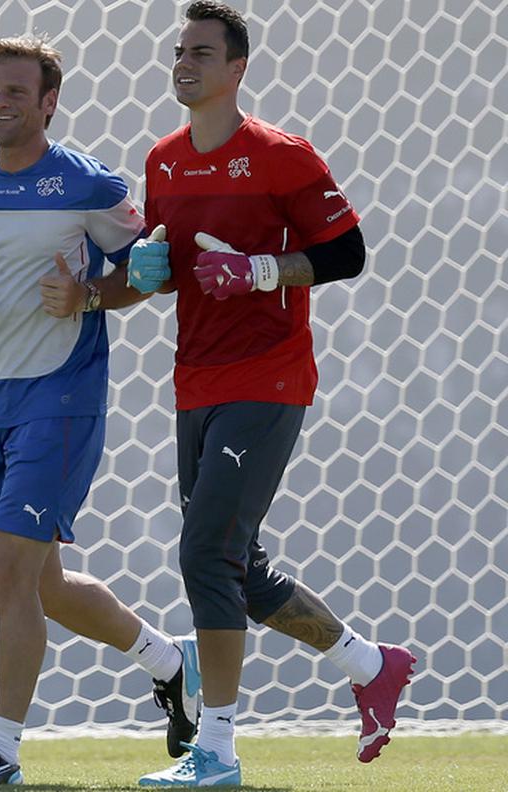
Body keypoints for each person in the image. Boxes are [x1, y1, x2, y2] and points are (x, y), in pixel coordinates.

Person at [124, 3, 416, 786]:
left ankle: (214, 748)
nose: (183, 63)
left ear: (237, 69)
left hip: (270, 377)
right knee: (238, 568)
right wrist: (145, 274)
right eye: (178, 50)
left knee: (203, 552)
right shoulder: (162, 160)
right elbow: (160, 256)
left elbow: (347, 251)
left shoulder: (282, 155)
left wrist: (263, 270)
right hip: (194, 380)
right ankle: (371, 664)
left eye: (202, 52)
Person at [0, 35, 203, 787]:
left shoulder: (87, 184)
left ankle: (2, 751)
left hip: (64, 398)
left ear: (49, 102)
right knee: (42, 584)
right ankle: (169, 662)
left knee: (6, 568)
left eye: (16, 91)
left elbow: (151, 272)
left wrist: (88, 295)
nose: (0, 102)